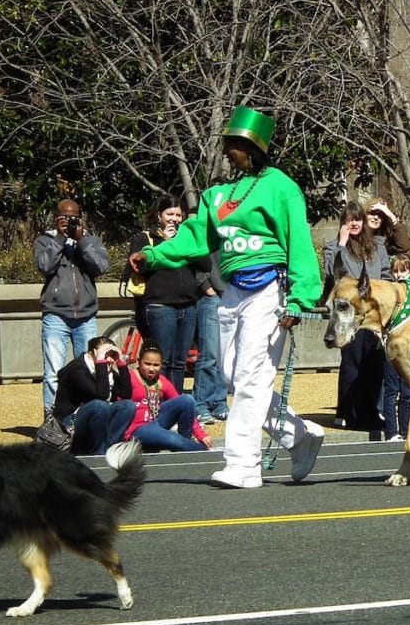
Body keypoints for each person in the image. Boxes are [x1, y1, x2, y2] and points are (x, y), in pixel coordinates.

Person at [128, 105, 324, 489]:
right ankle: (299, 436)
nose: (225, 152)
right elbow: (193, 237)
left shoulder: (281, 187)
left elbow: (300, 245)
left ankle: (243, 464)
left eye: (232, 144)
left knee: (252, 377)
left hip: (271, 288)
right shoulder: (217, 194)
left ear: (252, 145)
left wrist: (300, 299)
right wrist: (151, 256)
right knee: (233, 376)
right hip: (233, 290)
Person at [34, 198, 110, 416]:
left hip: (86, 316)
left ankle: (85, 418)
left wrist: (82, 241)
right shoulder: (44, 241)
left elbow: (101, 267)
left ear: (81, 216)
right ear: (56, 218)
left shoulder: (91, 240)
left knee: (89, 369)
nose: (69, 220)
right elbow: (44, 266)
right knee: (53, 373)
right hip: (56, 315)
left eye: (73, 216)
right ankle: (52, 421)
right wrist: (59, 238)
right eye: (64, 216)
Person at [323, 200, 393, 430]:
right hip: (348, 313)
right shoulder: (334, 247)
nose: (354, 223)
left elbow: (386, 276)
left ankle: (370, 411)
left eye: (358, 219)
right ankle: (348, 411)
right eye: (349, 219)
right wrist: (341, 244)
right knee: (352, 363)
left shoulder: (377, 247)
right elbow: (331, 273)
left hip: (373, 314)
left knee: (374, 364)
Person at [126, 196, 203, 393]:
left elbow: (206, 265)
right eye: (170, 214)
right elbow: (136, 269)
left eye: (178, 215)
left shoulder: (187, 239)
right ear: (159, 215)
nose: (174, 219)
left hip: (188, 305)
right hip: (161, 306)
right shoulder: (146, 239)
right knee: (163, 360)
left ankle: (175, 401)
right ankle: (157, 402)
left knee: (179, 362)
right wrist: (166, 244)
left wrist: (183, 245)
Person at [51, 335, 135, 455]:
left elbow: (126, 395)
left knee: (128, 406)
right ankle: (98, 454)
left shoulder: (108, 371)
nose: (110, 359)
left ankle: (110, 450)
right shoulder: (76, 370)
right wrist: (100, 362)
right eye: (106, 354)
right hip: (68, 424)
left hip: (95, 419)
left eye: (112, 355)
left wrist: (121, 363)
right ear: (92, 353)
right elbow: (102, 395)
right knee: (99, 406)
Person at [124, 340, 212, 452]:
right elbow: (120, 408)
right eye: (147, 364)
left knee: (187, 400)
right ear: (138, 361)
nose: (151, 369)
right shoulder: (129, 377)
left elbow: (181, 403)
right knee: (173, 439)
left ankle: (185, 443)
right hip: (137, 429)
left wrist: (201, 434)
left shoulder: (162, 380)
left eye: (156, 365)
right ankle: (201, 451)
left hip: (156, 422)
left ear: (161, 365)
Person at [379, 254, 410, 442]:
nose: (400, 275)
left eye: (404, 270)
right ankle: (392, 432)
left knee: (408, 391)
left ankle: (407, 431)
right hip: (390, 346)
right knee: (391, 389)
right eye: (396, 271)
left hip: (409, 347)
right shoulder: (388, 292)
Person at [194, 254, 230, 425]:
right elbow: (194, 256)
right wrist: (207, 288)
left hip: (232, 295)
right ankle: (201, 403)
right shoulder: (205, 227)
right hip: (211, 296)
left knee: (225, 354)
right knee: (209, 353)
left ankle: (219, 402)